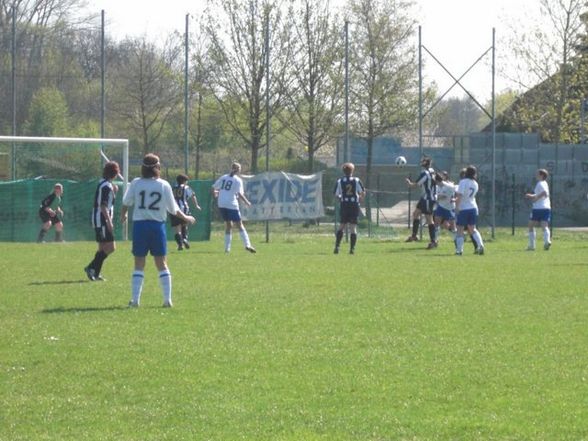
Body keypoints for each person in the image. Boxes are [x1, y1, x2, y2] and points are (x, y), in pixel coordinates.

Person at [121, 153, 195, 308]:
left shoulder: (136, 183)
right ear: (157, 167)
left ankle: (135, 301)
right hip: (157, 226)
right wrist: (187, 218)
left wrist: (124, 215)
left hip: (140, 226)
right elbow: (173, 209)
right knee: (161, 263)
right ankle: (167, 300)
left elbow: (126, 202)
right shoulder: (163, 184)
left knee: (139, 264)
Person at [84, 161, 120, 282]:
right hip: (102, 219)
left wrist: (114, 192)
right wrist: (109, 222)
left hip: (98, 218)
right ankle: (90, 267)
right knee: (111, 247)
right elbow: (104, 206)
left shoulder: (104, 183)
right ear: (115, 173)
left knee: (102, 248)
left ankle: (95, 272)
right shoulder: (107, 186)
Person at [212, 162, 256, 253]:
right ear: (238, 170)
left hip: (221, 203)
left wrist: (216, 194)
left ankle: (227, 249)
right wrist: (247, 202)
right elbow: (240, 194)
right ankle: (247, 244)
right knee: (239, 224)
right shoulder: (237, 180)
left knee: (229, 225)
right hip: (231, 204)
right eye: (239, 169)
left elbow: (213, 187)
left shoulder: (223, 177)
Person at [333, 162, 365, 254]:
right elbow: (362, 192)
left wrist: (341, 199)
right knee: (353, 227)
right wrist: (360, 199)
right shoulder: (356, 180)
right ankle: (352, 249)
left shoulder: (340, 181)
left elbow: (336, 195)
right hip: (354, 205)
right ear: (352, 171)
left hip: (344, 205)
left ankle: (337, 247)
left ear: (343, 171)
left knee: (342, 225)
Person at [405, 156, 436, 247]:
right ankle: (414, 236)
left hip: (428, 199)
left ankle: (433, 241)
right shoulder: (432, 171)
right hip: (425, 198)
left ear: (423, 164)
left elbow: (415, 185)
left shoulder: (425, 173)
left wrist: (409, 183)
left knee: (429, 219)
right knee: (415, 214)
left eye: (422, 162)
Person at [455, 165, 485, 256]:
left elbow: (460, 195)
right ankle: (480, 245)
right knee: (473, 228)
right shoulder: (475, 183)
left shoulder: (463, 182)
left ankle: (459, 250)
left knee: (460, 229)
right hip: (473, 208)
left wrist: (457, 207)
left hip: (464, 208)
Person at [170, 174, 201, 251]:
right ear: (184, 181)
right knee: (184, 224)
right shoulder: (186, 187)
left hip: (174, 209)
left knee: (177, 228)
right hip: (184, 209)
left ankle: (180, 244)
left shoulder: (173, 187)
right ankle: (185, 239)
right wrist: (196, 205)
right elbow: (193, 196)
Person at [525, 168, 551, 251]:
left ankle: (532, 246)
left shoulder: (540, 183)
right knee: (544, 225)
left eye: (538, 174)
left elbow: (544, 193)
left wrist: (535, 199)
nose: (536, 175)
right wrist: (532, 196)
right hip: (546, 207)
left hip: (538, 208)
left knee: (530, 225)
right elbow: (541, 194)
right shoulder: (545, 183)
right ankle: (547, 241)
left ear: (542, 175)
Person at [432, 171, 457, 248]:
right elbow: (437, 196)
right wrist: (437, 197)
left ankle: (457, 242)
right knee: (436, 223)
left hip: (449, 208)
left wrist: (454, 199)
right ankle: (435, 241)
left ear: (437, 180)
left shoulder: (449, 186)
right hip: (441, 207)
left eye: (434, 180)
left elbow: (445, 196)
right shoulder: (437, 187)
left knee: (452, 226)